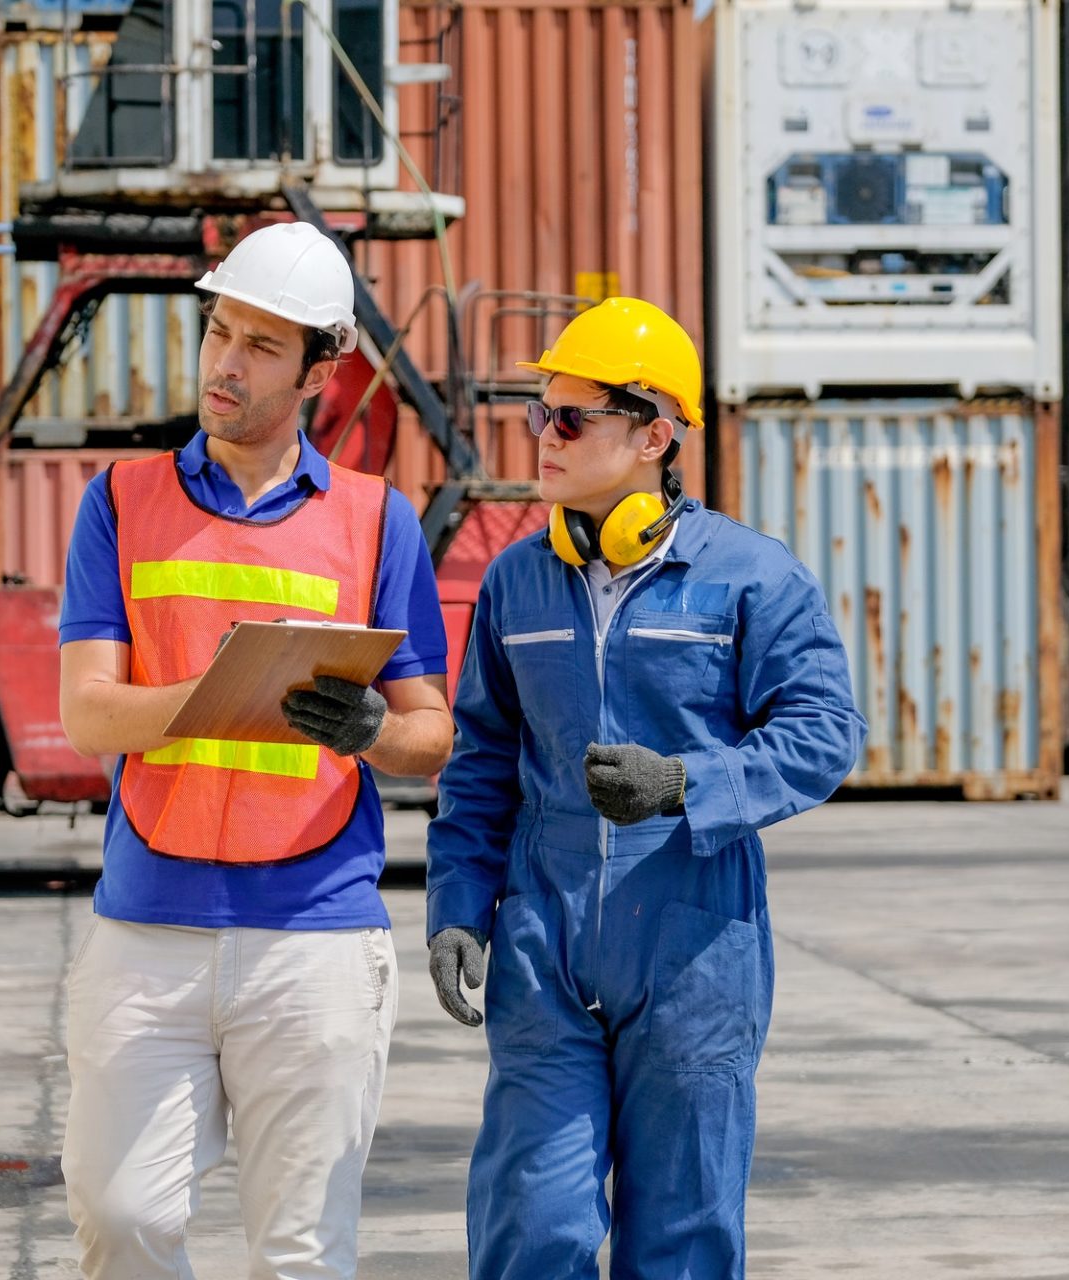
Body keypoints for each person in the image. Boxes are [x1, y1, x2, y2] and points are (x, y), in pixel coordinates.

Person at [424, 297, 866, 1279]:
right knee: (531, 1229)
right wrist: (457, 901)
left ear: (653, 435)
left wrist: (687, 783)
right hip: (544, 949)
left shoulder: (753, 580)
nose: (543, 436)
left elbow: (829, 732)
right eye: (542, 413)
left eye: (571, 418)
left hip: (695, 953)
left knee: (681, 1246)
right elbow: (483, 756)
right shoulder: (516, 583)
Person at [55, 221, 455, 1280]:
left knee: (302, 1253)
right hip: (148, 925)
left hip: (314, 936)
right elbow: (90, 714)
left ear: (324, 368)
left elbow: (433, 734)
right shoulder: (120, 503)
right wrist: (216, 696)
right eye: (220, 331)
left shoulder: (377, 521)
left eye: (262, 346)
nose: (225, 362)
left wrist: (372, 731)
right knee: (119, 1214)